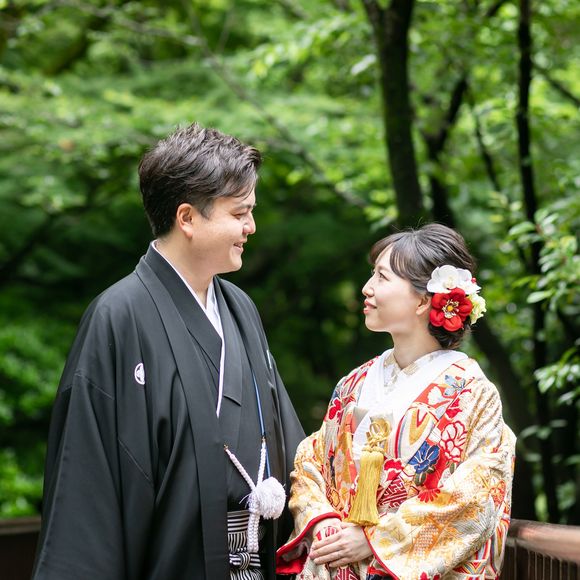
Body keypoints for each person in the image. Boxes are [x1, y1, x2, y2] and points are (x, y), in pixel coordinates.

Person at [32, 123, 305, 580]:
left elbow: (287, 440)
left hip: (256, 561)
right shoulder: (118, 316)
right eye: (240, 213)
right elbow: (88, 484)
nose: (251, 227)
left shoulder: (240, 309)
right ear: (187, 218)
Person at [276, 223, 516, 580]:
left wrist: (376, 539)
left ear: (423, 300)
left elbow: (477, 495)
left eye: (382, 277)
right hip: (339, 565)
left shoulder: (472, 393)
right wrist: (322, 521)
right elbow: (312, 460)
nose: (367, 288)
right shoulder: (353, 384)